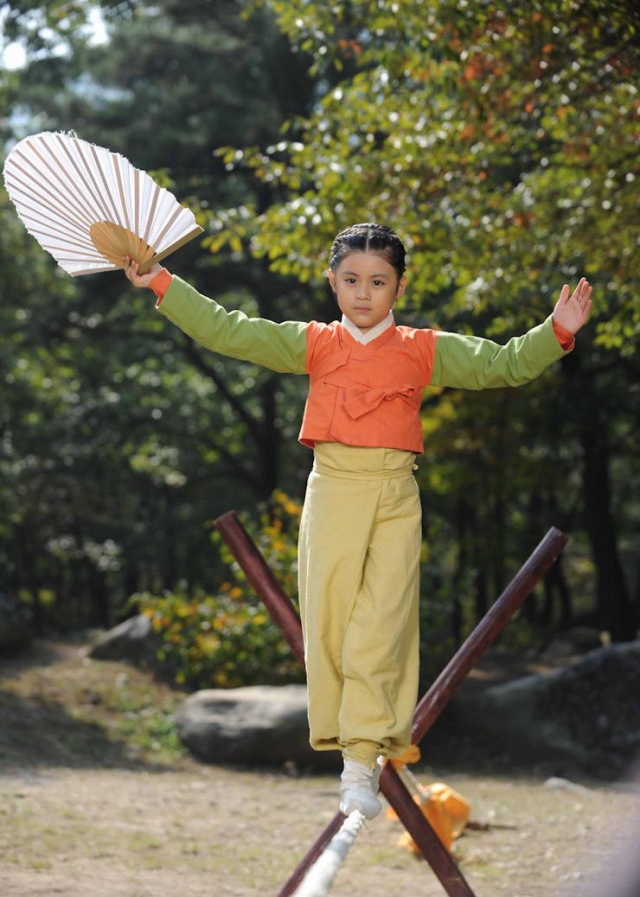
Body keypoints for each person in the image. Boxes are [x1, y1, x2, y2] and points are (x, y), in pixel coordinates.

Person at [123, 223, 592, 820]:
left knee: (382, 624)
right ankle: (350, 752)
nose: (363, 294)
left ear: (399, 286)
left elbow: (499, 364)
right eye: (351, 281)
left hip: (396, 494)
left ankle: (359, 764)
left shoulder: (423, 347)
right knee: (332, 627)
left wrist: (556, 333)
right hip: (334, 491)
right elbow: (229, 330)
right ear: (332, 282)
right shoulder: (315, 342)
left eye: (377, 281)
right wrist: (161, 280)